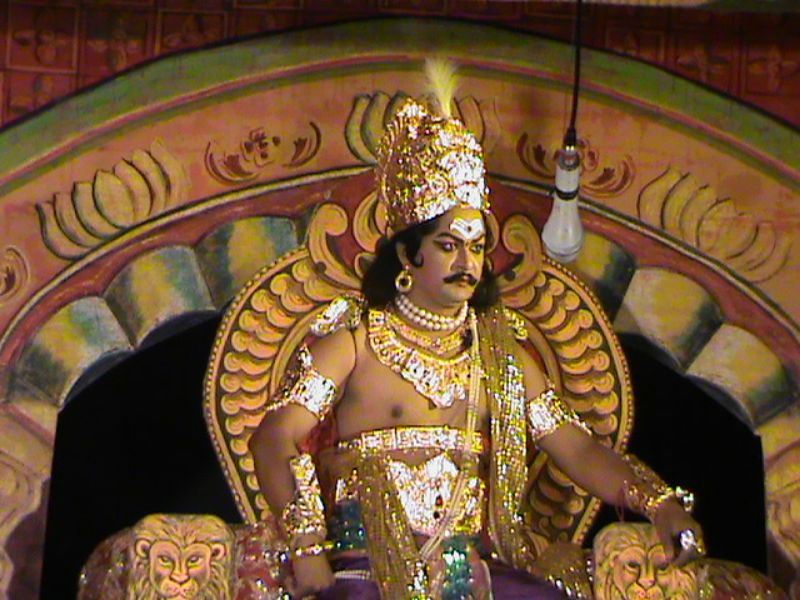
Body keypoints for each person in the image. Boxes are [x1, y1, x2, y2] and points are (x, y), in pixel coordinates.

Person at [248, 65, 704, 599]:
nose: (467, 261)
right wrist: (306, 550)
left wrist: (660, 503)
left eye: (477, 245)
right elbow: (272, 437)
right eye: (448, 245)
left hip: (471, 574)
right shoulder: (355, 344)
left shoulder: (501, 358)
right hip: (366, 571)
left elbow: (578, 451)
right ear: (407, 255)